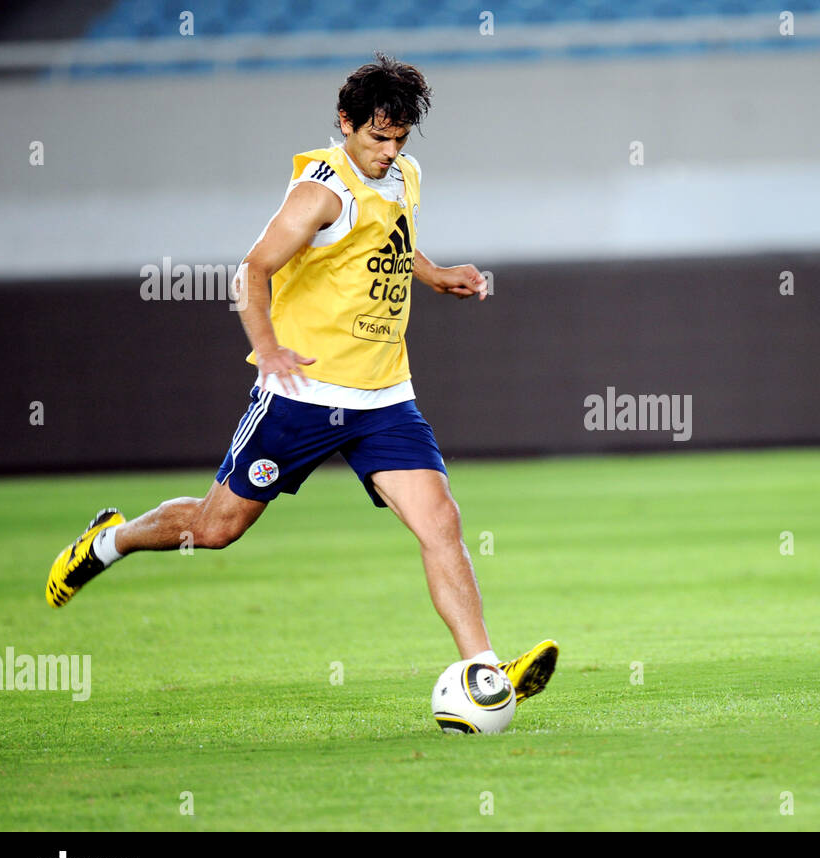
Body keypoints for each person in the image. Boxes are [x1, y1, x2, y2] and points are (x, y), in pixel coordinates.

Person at [45, 53, 557, 702]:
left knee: (441, 521)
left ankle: (484, 671)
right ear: (345, 122)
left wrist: (435, 275)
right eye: (377, 137)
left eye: (399, 139)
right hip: (302, 394)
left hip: (383, 396)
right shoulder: (321, 192)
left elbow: (392, 243)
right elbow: (252, 271)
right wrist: (268, 348)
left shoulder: (402, 175)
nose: (388, 152)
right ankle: (109, 540)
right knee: (215, 528)